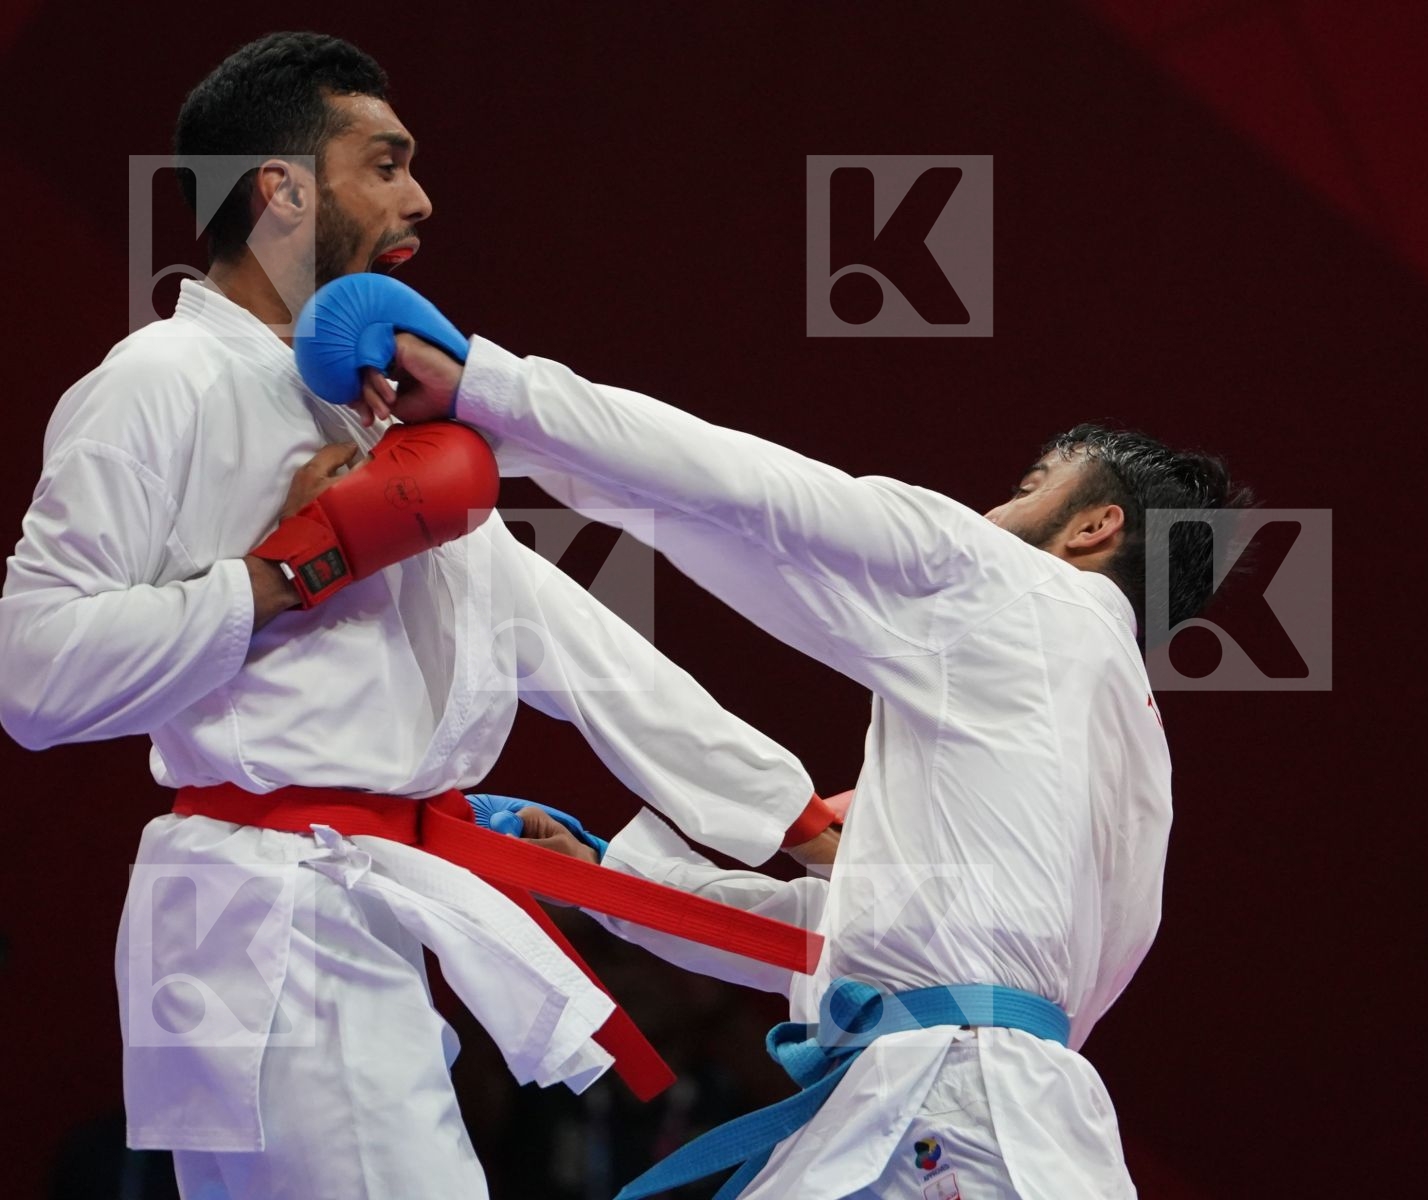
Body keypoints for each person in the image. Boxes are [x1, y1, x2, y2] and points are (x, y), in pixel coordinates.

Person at [0, 33, 832, 1200]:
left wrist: (788, 816)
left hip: (328, 916)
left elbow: (576, 646)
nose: (420, 199)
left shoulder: (367, 417)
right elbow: (33, 681)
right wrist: (288, 574)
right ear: (281, 190)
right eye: (384, 164)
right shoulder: (160, 381)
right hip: (268, 921)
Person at [344, 292, 1253, 1197]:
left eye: (1027, 488)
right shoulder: (1133, 760)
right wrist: (609, 874)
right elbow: (853, 943)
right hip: (1004, 1122)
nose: (993, 507)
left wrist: (489, 393)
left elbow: (756, 492)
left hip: (949, 1119)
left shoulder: (1013, 588)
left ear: (1096, 526)